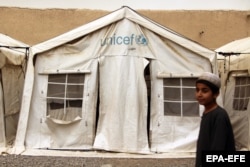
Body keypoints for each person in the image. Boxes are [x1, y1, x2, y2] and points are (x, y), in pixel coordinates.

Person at [195, 72, 235, 167]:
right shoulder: (207, 113)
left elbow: (217, 150)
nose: (199, 94)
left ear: (215, 94)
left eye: (204, 91)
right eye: (197, 90)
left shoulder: (219, 116)